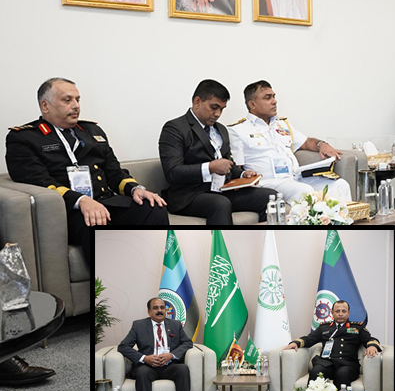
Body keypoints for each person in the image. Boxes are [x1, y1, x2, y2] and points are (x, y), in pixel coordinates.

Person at [6, 78, 168, 267]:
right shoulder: (24, 138)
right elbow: (39, 181)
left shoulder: (92, 131)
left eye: (78, 100)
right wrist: (81, 201)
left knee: (153, 208)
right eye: (67, 100)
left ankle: (156, 272)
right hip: (68, 212)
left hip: (104, 202)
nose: (76, 106)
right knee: (95, 222)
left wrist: (135, 189)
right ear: (45, 106)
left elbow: (114, 171)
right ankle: (109, 291)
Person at [158, 79, 277, 224]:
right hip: (189, 195)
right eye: (214, 107)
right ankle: (222, 247)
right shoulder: (175, 128)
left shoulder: (221, 129)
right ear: (197, 102)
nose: (218, 113)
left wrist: (242, 174)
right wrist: (210, 167)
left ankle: (267, 242)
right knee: (220, 203)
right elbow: (172, 172)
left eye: (222, 109)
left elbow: (227, 162)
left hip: (223, 190)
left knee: (271, 196)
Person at [227, 81, 351, 203]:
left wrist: (322, 144)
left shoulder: (282, 124)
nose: (274, 101)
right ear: (252, 104)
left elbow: (306, 142)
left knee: (340, 185)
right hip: (269, 183)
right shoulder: (238, 130)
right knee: (305, 191)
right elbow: (237, 168)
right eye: (267, 97)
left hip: (296, 178)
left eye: (274, 96)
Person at [117, 298, 193, 391]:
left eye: (162, 308)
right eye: (156, 308)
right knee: (142, 372)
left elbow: (188, 342)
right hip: (147, 367)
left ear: (165, 310)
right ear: (149, 311)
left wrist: (172, 355)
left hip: (169, 366)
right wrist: (144, 358)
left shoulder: (175, 324)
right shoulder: (138, 325)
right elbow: (123, 347)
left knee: (183, 369)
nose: (159, 311)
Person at [283, 300, 380, 390]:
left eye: (344, 311)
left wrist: (372, 346)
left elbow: (370, 339)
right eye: (337, 311)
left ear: (348, 313)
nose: (340, 314)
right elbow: (309, 339)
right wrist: (295, 343)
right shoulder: (324, 328)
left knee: (343, 374)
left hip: (347, 365)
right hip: (326, 363)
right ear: (332, 312)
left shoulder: (357, 328)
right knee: (315, 372)